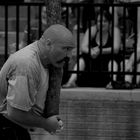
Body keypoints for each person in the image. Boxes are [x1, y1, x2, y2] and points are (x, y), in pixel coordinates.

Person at [0, 24, 75, 140]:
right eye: (65, 49)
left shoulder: (48, 62)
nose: (69, 55)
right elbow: (15, 112)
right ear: (48, 44)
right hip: (6, 127)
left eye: (71, 50)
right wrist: (46, 123)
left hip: (15, 128)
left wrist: (50, 119)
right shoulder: (26, 64)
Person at [63, 9, 121, 88]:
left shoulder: (114, 31)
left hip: (106, 65)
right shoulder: (92, 30)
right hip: (93, 66)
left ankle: (112, 82)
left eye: (105, 21)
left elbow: (116, 49)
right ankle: (71, 82)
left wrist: (100, 51)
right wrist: (91, 51)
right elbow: (83, 47)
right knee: (82, 58)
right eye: (99, 21)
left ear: (110, 23)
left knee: (113, 60)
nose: (102, 23)